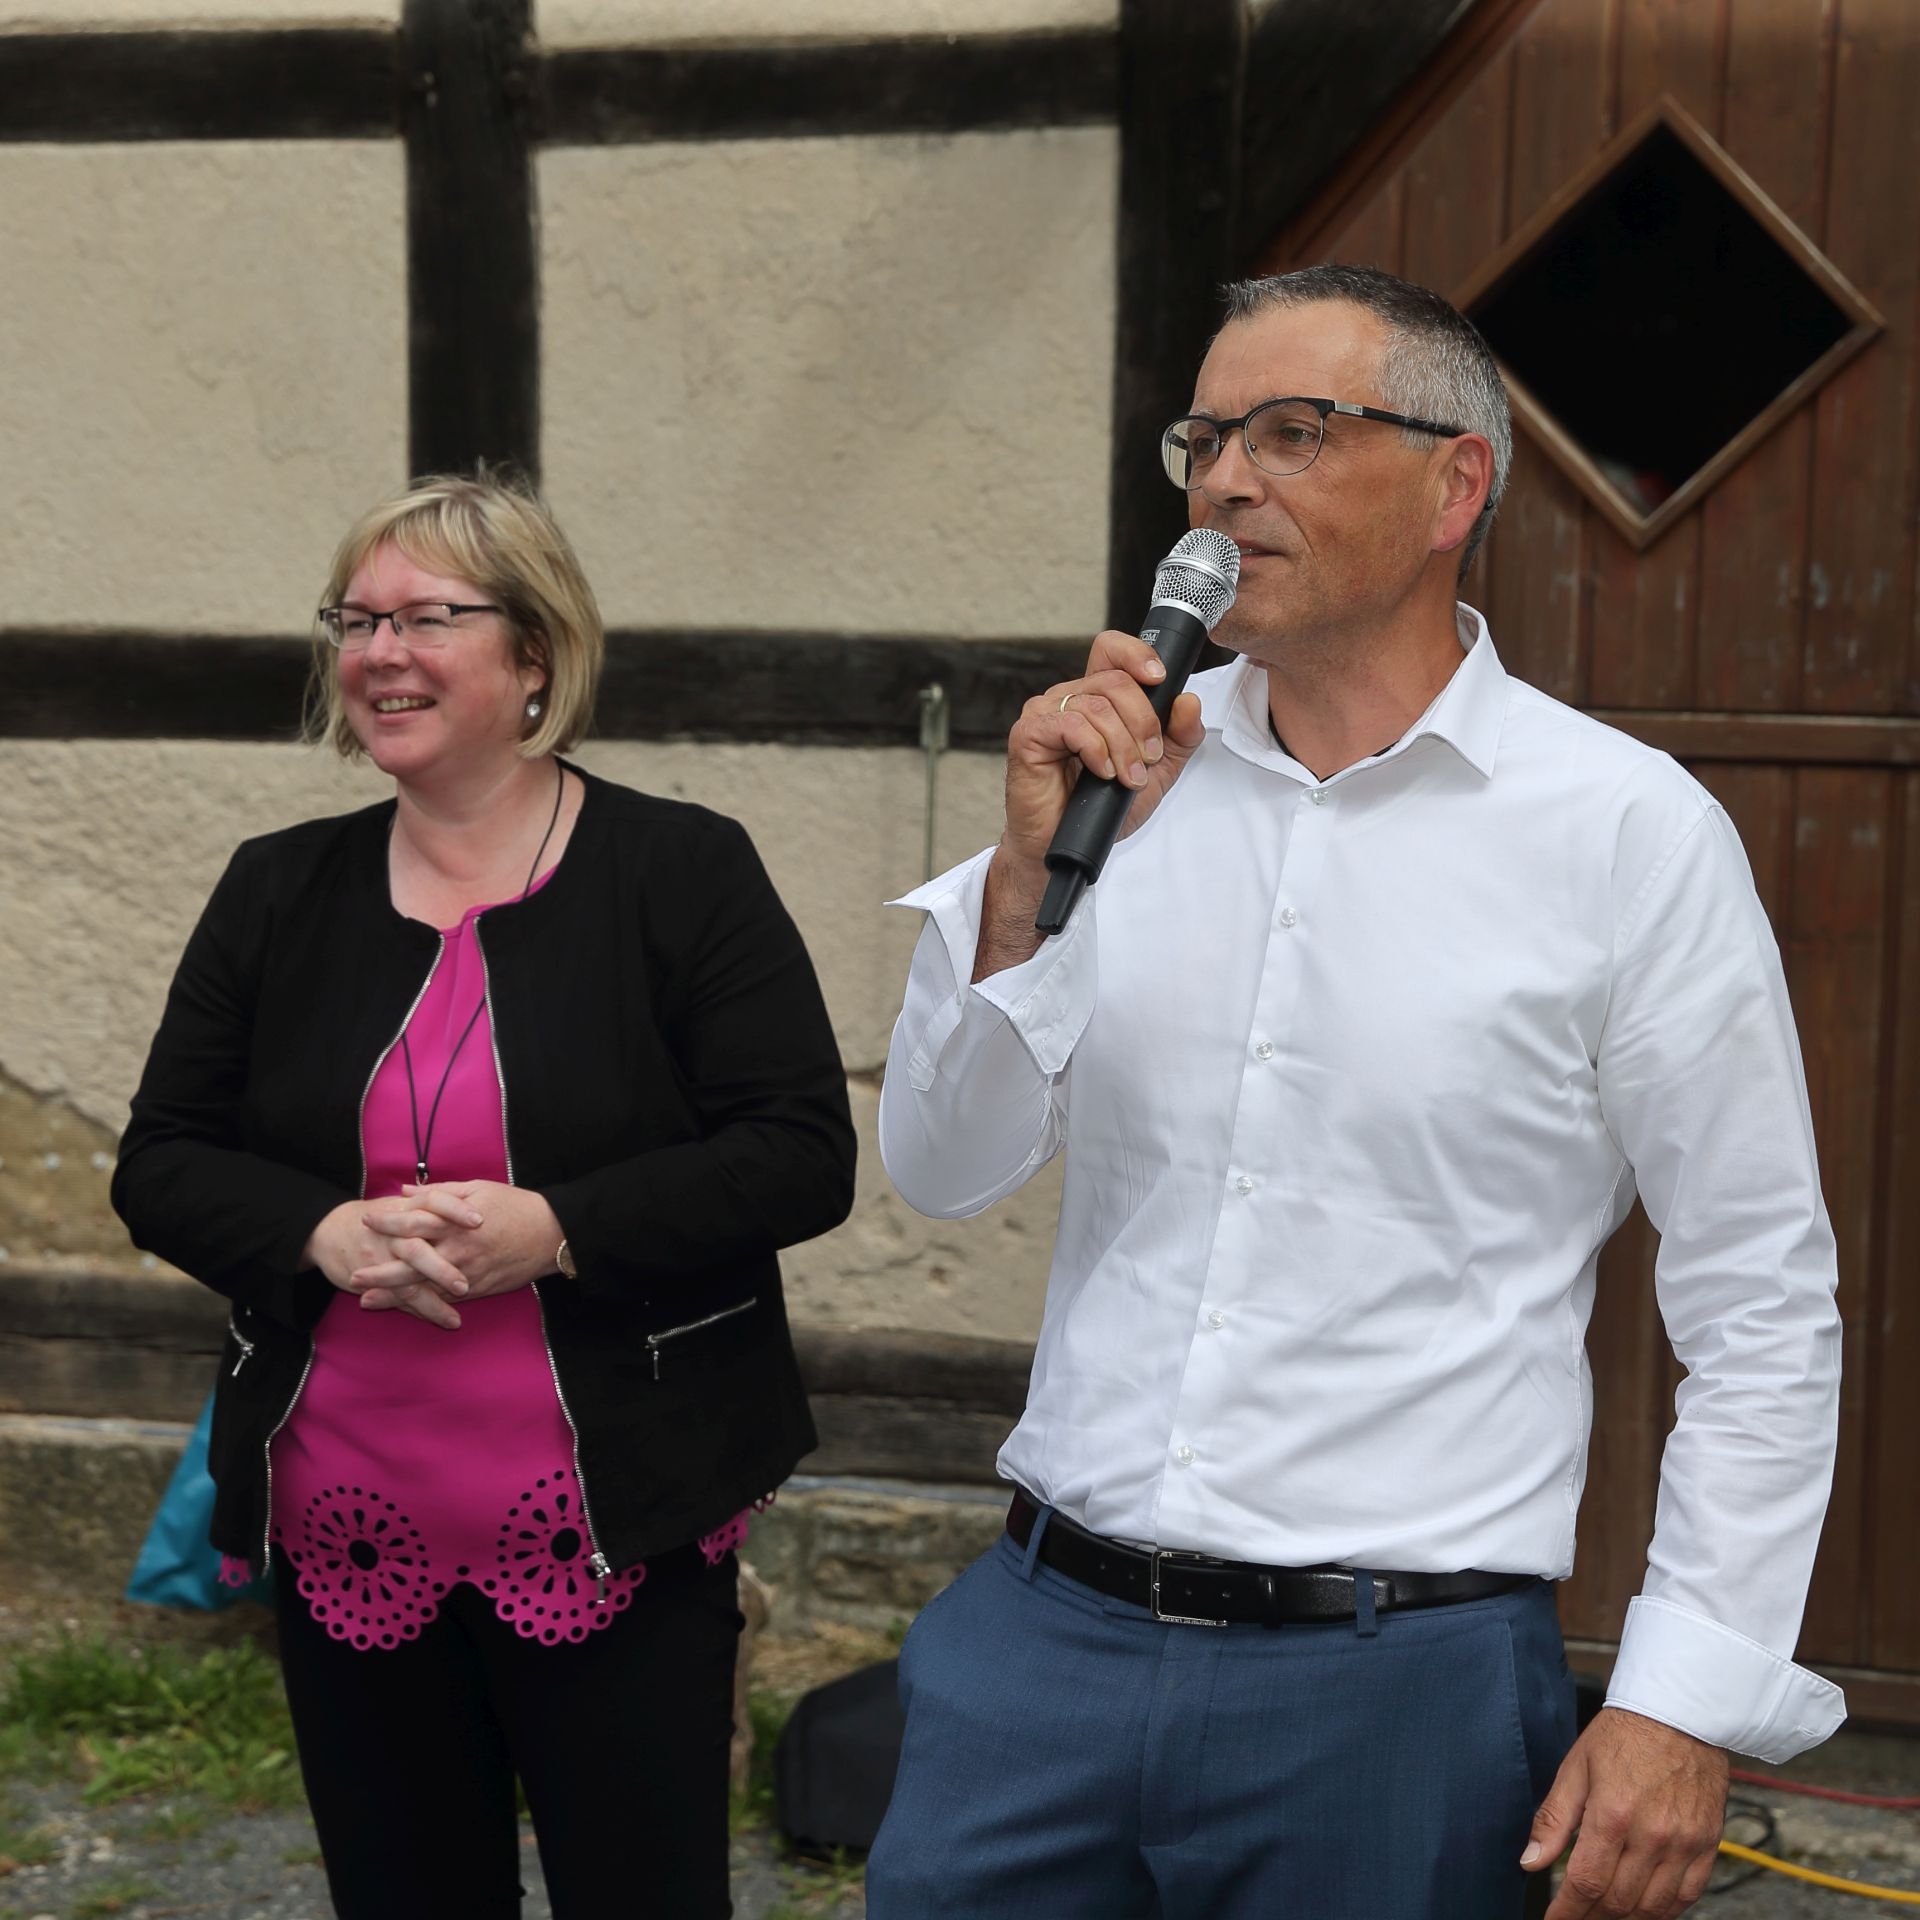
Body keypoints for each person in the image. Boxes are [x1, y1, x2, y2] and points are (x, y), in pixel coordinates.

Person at [867, 265, 1843, 1920]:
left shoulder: (1625, 833)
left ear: (1458, 485)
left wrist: (1685, 1697)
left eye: (1294, 433)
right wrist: (1025, 888)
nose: (1225, 482)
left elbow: (1759, 1302)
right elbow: (944, 1166)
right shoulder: (1112, 793)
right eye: (1205, 440)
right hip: (1040, 1648)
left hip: (1396, 1689)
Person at [112, 472, 856, 1919]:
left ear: (534, 654)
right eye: (355, 622)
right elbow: (163, 1159)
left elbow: (797, 1150)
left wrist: (561, 1229)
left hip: (616, 1505)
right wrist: (317, 1232)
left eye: (425, 619)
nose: (379, 653)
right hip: (349, 1511)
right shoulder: (277, 889)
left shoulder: (681, 870)